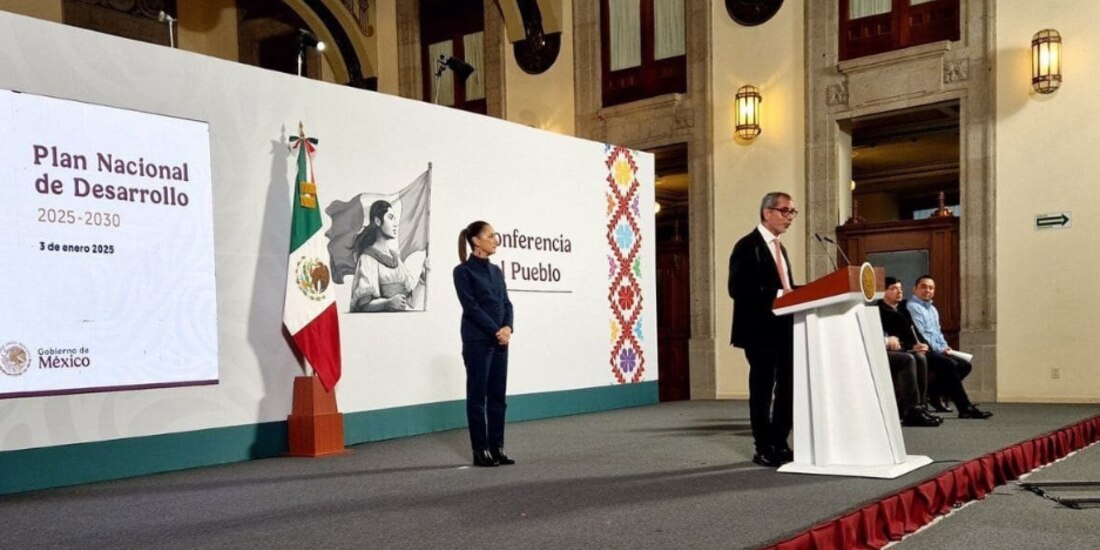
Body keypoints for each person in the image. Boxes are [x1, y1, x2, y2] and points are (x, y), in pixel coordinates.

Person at [728, 192, 798, 467]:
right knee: (762, 389)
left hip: (784, 328)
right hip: (758, 331)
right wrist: (781, 292)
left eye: (793, 212)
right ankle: (763, 447)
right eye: (785, 211)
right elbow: (737, 289)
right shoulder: (747, 246)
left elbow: (787, 288)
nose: (789, 217)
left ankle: (780, 442)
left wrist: (793, 295)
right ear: (767, 212)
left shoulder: (781, 248)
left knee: (788, 388)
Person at [453, 221, 515, 467]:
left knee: (498, 397)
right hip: (478, 341)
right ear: (476, 241)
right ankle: (480, 451)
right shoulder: (463, 272)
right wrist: (495, 330)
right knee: (477, 398)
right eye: (491, 235)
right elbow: (471, 307)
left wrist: (508, 328)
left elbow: (507, 304)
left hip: (500, 342)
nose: (495, 239)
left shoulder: (496, 271)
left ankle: (497, 447)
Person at [899, 276, 992, 419]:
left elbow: (937, 332)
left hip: (936, 349)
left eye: (931, 288)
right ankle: (964, 407)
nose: (927, 290)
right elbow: (921, 334)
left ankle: (933, 392)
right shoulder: (912, 307)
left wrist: (945, 347)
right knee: (949, 364)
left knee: (964, 365)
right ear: (915, 289)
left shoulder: (933, 310)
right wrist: (939, 349)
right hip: (923, 350)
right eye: (923, 287)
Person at [877, 277, 941, 427]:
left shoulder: (902, 308)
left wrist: (916, 345)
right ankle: (911, 411)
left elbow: (908, 334)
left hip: (898, 347)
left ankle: (920, 407)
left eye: (900, 288)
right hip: (880, 350)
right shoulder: (876, 309)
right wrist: (887, 340)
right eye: (894, 288)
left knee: (920, 358)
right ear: (883, 292)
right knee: (908, 359)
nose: (899, 291)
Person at [349, 200, 428, 312]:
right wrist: (388, 303)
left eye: (395, 219)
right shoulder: (367, 258)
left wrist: (422, 279)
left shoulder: (395, 258)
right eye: (390, 218)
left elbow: (411, 302)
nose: (395, 223)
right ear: (377, 221)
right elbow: (363, 305)